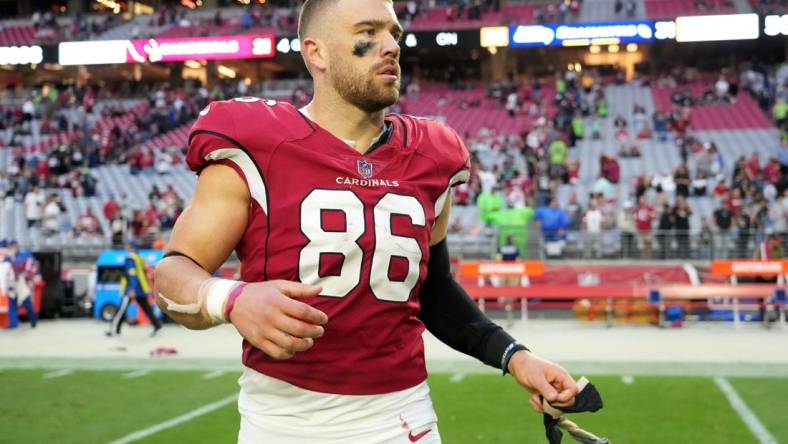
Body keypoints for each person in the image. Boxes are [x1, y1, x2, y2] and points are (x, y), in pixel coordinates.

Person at [154, 1, 578, 442]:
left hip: (404, 419)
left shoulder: (434, 155)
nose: (391, 46)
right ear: (316, 52)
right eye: (368, 33)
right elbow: (173, 274)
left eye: (394, 33)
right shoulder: (258, 143)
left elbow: (434, 291)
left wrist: (515, 356)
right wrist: (231, 299)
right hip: (285, 424)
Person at [107, 240, 162, 337]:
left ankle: (114, 330)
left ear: (130, 247)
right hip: (141, 289)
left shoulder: (130, 259)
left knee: (121, 309)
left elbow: (132, 275)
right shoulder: (140, 258)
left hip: (131, 290)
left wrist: (131, 289)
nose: (125, 248)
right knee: (147, 309)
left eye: (127, 246)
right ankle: (157, 326)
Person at [8, 240, 38, 328]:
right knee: (12, 304)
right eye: (9, 246)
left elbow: (32, 266)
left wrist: (28, 276)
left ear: (16, 246)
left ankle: (33, 321)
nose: (11, 248)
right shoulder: (8, 256)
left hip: (22, 283)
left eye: (12, 245)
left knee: (27, 303)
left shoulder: (25, 254)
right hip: (11, 283)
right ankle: (13, 324)